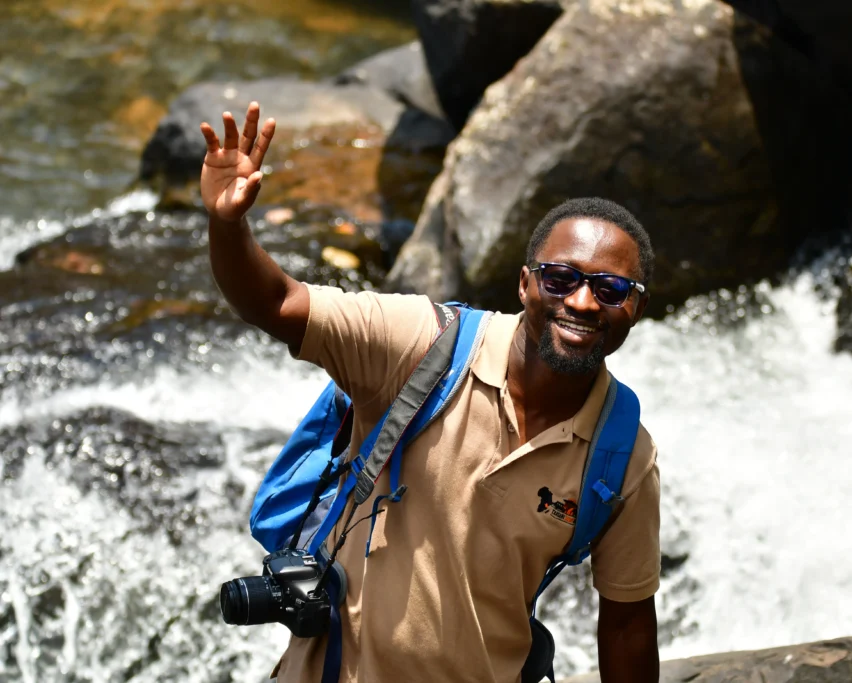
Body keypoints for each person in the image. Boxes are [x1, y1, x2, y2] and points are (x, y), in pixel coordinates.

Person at [199, 102, 661, 683]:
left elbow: (627, 623)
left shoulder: (622, 456)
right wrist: (226, 224)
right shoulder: (421, 346)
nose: (584, 302)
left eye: (611, 288)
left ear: (636, 308)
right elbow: (275, 303)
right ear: (525, 284)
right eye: (561, 278)